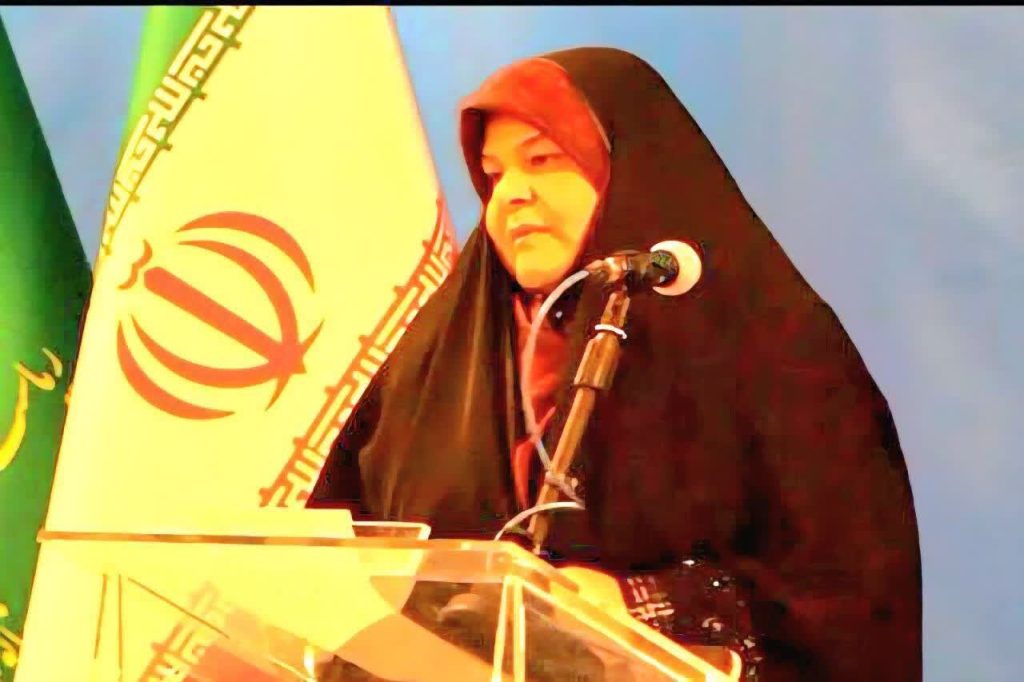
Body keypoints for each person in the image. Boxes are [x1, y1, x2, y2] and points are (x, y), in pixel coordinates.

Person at [309, 47, 922, 681]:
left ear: (627, 171)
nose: (510, 195)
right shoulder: (443, 356)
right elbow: (337, 568)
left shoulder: (775, 349)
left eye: (542, 161)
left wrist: (639, 603)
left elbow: (851, 600)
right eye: (492, 175)